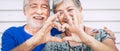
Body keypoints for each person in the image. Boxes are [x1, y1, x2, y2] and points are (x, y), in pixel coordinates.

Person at [43, 0, 118, 51]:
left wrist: (85, 39)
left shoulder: (100, 34)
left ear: (80, 10)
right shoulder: (54, 43)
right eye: (60, 13)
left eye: (70, 10)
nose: (66, 16)